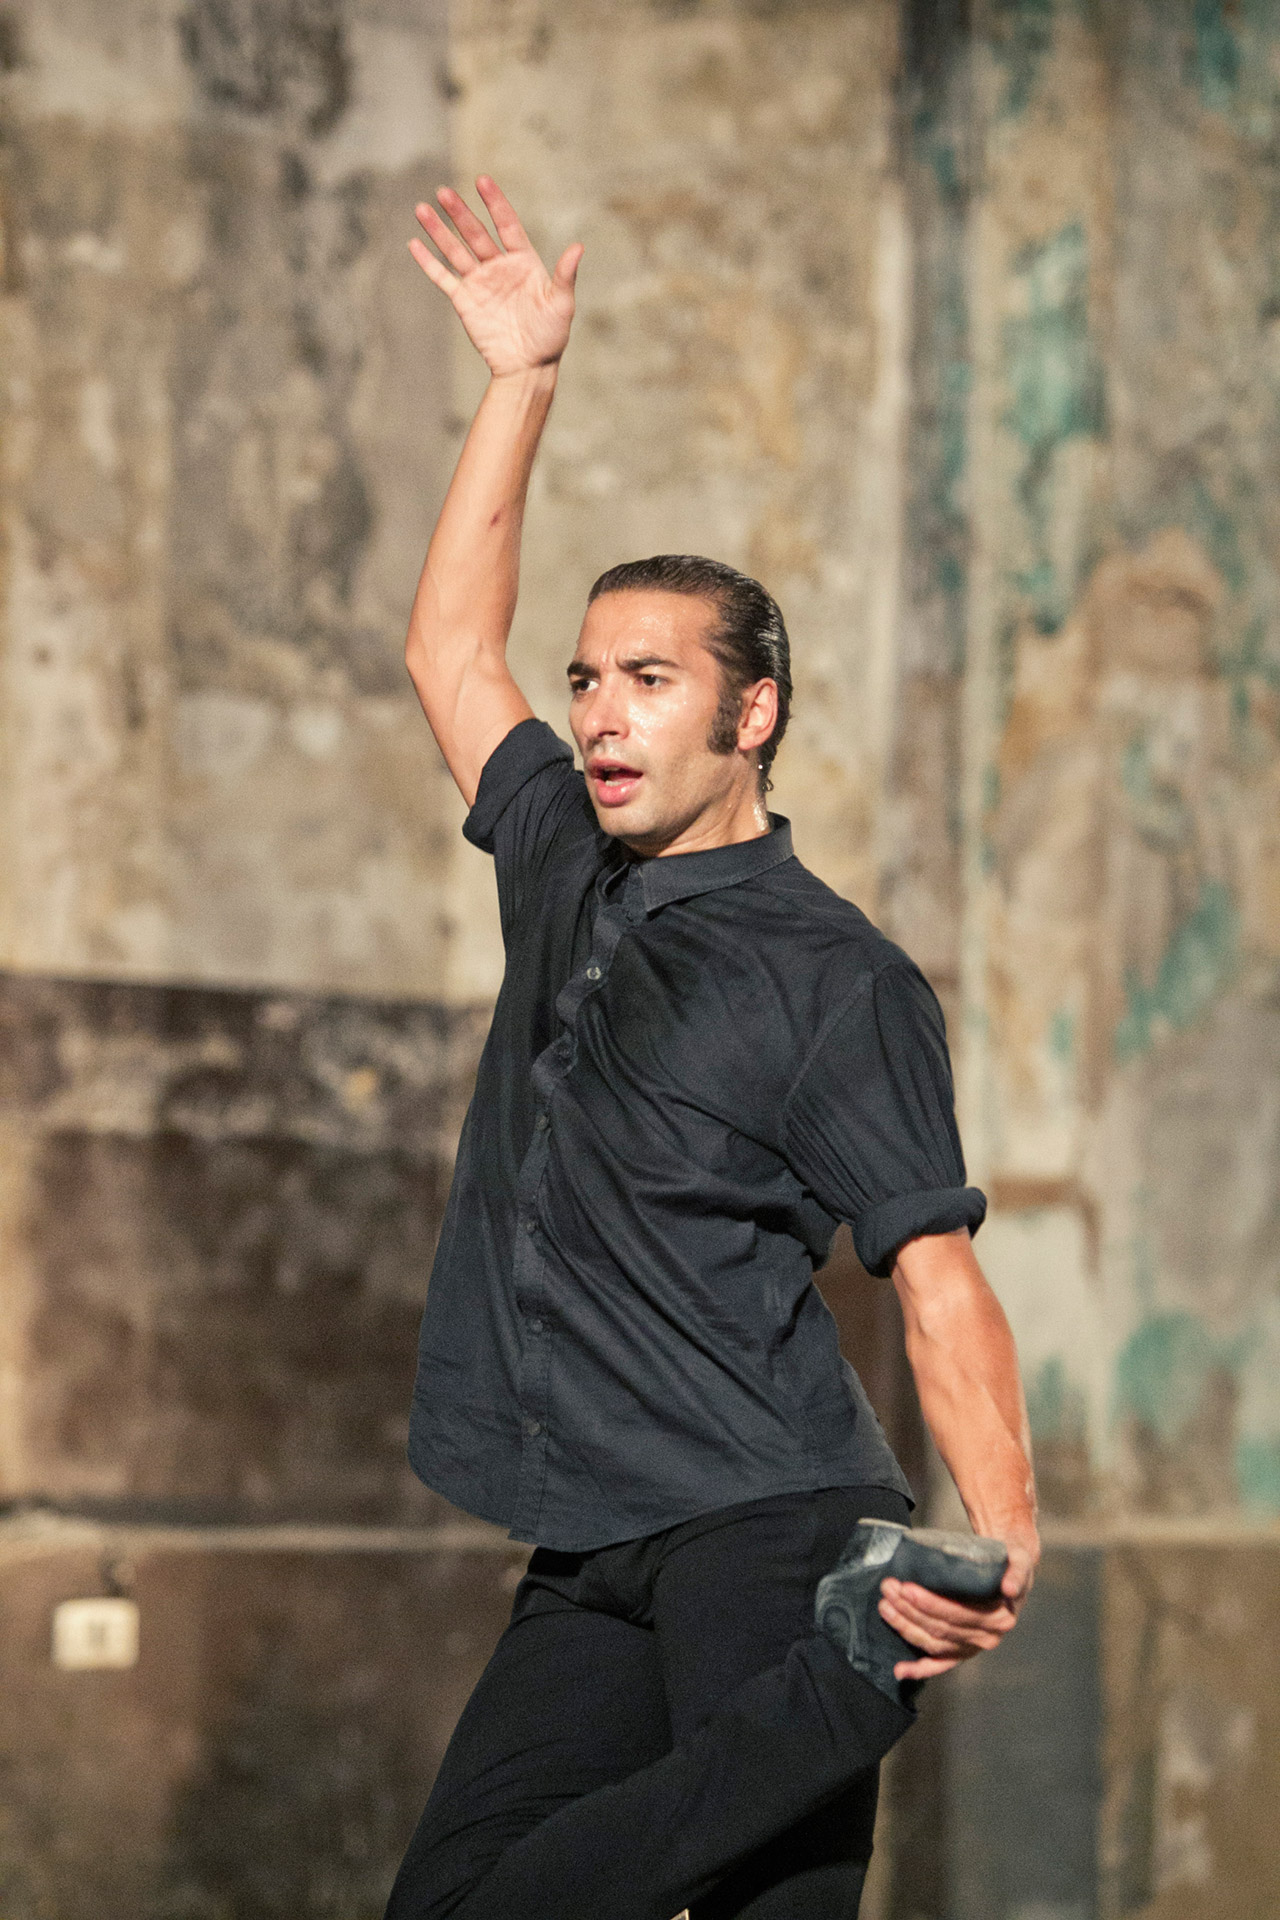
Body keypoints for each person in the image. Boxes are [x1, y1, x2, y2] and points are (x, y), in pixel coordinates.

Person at [386, 177, 1039, 1920]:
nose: (601, 714)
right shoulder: (560, 860)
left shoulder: (837, 978)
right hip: (592, 1538)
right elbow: (449, 649)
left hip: (769, 1518)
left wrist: (1000, 1532)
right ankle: (842, 1694)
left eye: (650, 680)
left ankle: (843, 1673)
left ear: (752, 713)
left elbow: (937, 1275)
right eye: (589, 679)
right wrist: (522, 379)